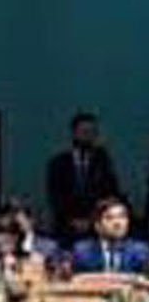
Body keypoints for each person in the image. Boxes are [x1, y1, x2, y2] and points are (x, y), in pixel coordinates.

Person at [46, 110, 122, 247]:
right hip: (66, 228)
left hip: (96, 227)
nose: (88, 136)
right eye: (83, 131)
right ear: (74, 133)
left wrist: (92, 220)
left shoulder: (102, 161)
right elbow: (55, 196)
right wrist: (72, 220)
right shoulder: (59, 163)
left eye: (92, 132)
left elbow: (110, 193)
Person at [70, 193, 149, 276]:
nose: (117, 223)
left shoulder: (141, 251)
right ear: (97, 226)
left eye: (122, 217)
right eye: (109, 218)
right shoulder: (82, 252)